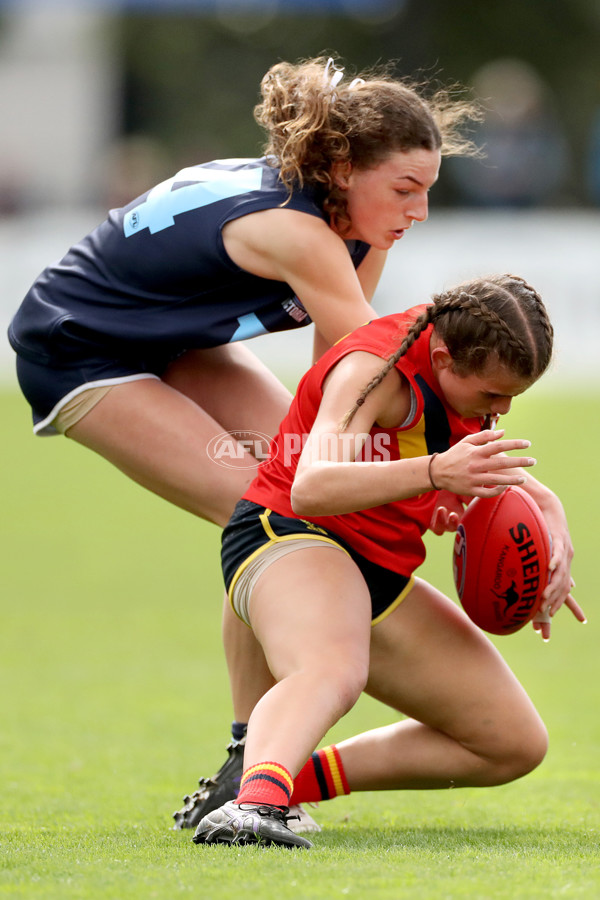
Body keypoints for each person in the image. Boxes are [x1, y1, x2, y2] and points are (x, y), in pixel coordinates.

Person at [7, 55, 479, 831]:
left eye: (429, 189)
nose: (419, 210)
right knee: (271, 509)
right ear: (341, 165)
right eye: (404, 189)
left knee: (299, 494)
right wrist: (443, 477)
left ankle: (259, 751)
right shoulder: (299, 232)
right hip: (81, 350)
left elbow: (347, 395)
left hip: (179, 338)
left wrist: (411, 476)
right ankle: (244, 760)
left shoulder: (350, 220)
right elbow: (378, 372)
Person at [190, 274, 584, 849]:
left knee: (512, 741)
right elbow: (312, 487)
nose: (500, 410)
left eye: (511, 399)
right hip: (288, 534)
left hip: (376, 566)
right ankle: (253, 807)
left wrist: (548, 519)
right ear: (445, 357)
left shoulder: (462, 361)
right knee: (333, 668)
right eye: (491, 395)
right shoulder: (372, 368)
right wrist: (433, 474)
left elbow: (458, 461)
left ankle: (282, 777)